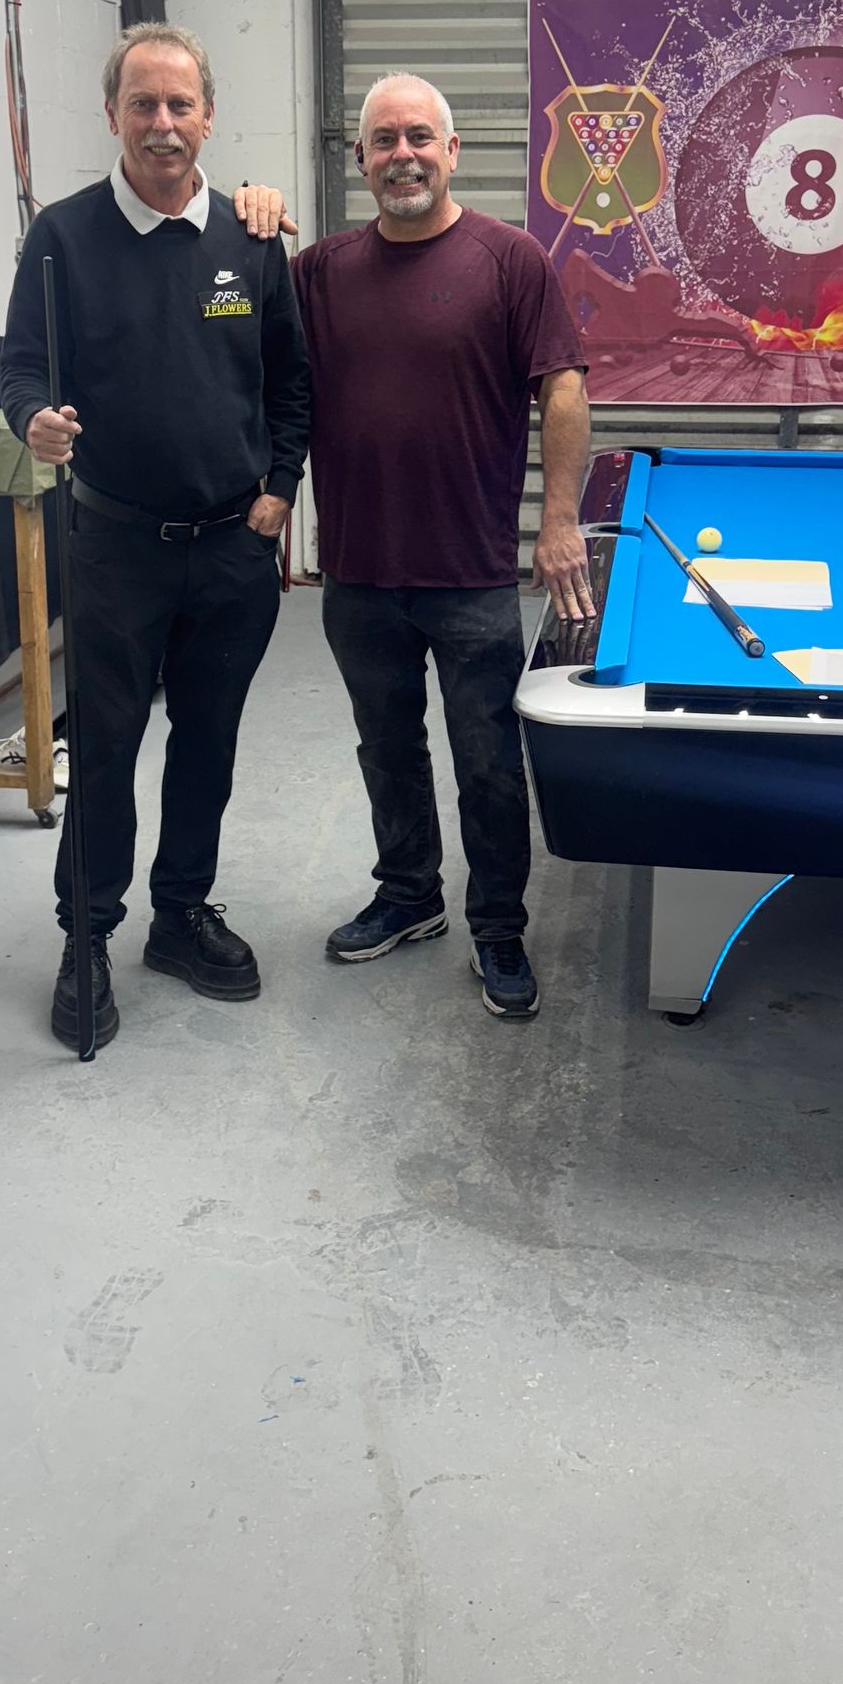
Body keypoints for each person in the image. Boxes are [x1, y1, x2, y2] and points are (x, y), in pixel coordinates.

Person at [0, 23, 310, 1051]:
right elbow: (21, 367)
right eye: (144, 104)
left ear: (208, 116)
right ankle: (86, 935)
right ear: (113, 116)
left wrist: (280, 487)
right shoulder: (62, 235)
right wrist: (31, 417)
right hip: (116, 547)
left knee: (207, 748)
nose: (163, 124)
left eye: (181, 105)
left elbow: (295, 381)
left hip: (233, 549)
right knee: (103, 751)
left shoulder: (253, 238)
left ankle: (180, 916)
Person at [293, 72, 592, 1021]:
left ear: (453, 150)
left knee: (489, 762)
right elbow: (264, 374)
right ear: (362, 162)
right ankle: (409, 895)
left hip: (468, 575)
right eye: (383, 141)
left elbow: (566, 389)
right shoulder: (321, 272)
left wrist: (557, 520)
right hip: (358, 572)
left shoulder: (511, 261)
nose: (403, 154)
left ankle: (497, 926)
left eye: (420, 136)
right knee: (386, 750)